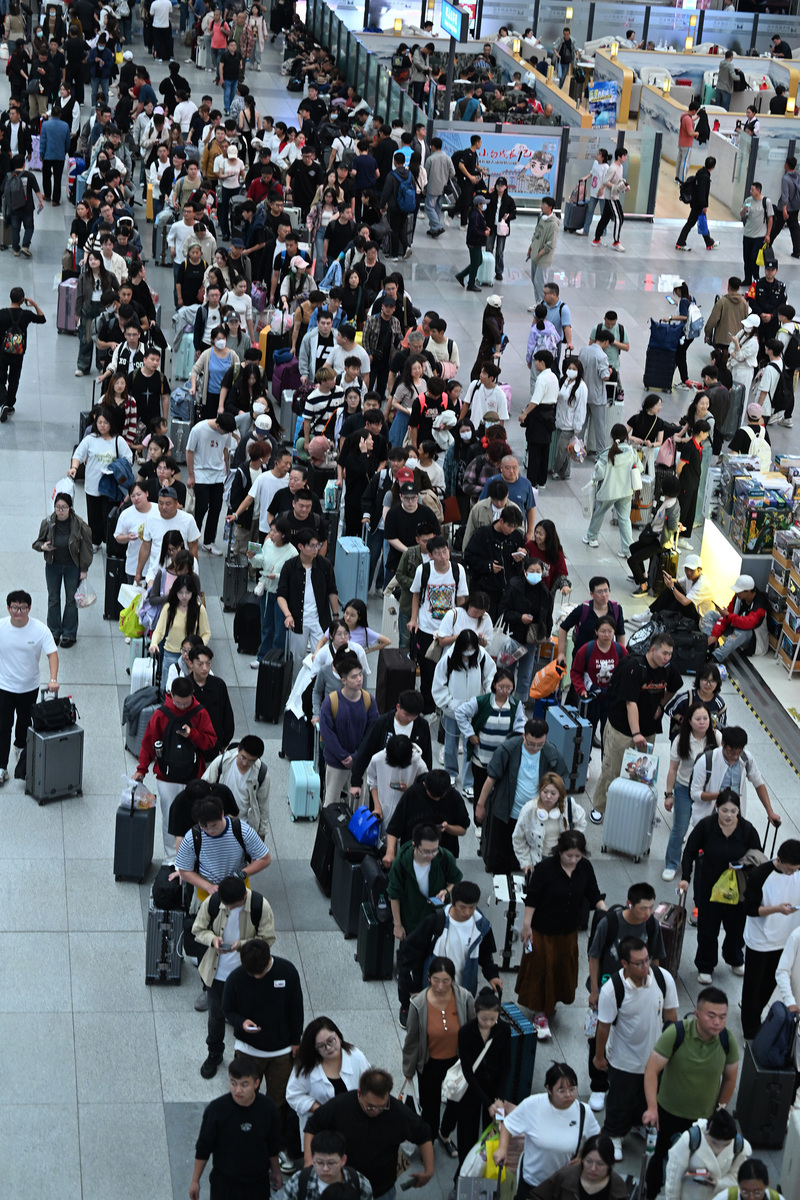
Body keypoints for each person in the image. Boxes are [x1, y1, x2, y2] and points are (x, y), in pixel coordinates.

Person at [642, 987, 740, 1197]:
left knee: (697, 1163)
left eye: (723, 1017)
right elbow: (651, 1069)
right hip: (668, 1112)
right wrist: (652, 1108)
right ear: (697, 1014)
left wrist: (720, 1108)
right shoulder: (677, 1033)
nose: (717, 1023)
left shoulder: (727, 1040)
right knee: (659, 1158)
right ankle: (650, 1193)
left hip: (703, 1119)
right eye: (711, 1016)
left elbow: (731, 1077)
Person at [516, 831, 606, 1037]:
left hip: (568, 930)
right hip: (543, 929)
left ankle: (551, 1003)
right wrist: (526, 925)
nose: (574, 860)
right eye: (569, 856)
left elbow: (593, 893)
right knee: (541, 969)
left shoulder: (585, 868)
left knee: (560, 968)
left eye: (578, 856)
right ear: (560, 852)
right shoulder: (545, 869)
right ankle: (540, 1011)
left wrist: (606, 911)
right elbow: (533, 898)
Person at [221, 937, 303, 1156]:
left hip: (282, 1051)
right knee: (243, 1096)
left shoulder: (287, 972)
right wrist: (241, 1023)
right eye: (252, 974)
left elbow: (296, 1009)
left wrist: (296, 1041)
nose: (257, 977)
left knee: (280, 1099)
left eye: (261, 971)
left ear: (269, 959)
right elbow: (227, 1009)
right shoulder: (236, 978)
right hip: (248, 1050)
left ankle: (275, 1142)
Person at [190, 874, 277, 1079]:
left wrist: (243, 945)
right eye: (226, 905)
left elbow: (268, 939)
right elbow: (198, 929)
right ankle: (214, 1054)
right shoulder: (213, 902)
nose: (228, 909)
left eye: (233, 906)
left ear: (244, 898)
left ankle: (246, 1058)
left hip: (248, 974)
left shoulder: (259, 906)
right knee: (216, 1017)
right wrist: (213, 940)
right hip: (217, 973)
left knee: (248, 1018)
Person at [590, 633, 681, 824]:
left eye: (670, 654)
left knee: (639, 774)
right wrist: (636, 733)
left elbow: (674, 687)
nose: (667, 658)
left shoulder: (668, 669)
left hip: (648, 729)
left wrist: (661, 705)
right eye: (664, 653)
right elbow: (630, 703)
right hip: (622, 729)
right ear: (653, 650)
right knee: (612, 769)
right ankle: (600, 807)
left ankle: (629, 809)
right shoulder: (633, 667)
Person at [303, 1067, 435, 1199]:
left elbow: (423, 1134)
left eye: (382, 1106)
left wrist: (429, 1170)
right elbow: (313, 1126)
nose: (376, 1111)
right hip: (345, 1184)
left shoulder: (398, 1112)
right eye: (370, 1106)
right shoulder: (340, 1105)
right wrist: (308, 1162)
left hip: (382, 1188)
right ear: (359, 1093)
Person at [134, 675, 218, 864]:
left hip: (193, 777)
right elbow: (148, 743)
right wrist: (141, 769)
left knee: (195, 816)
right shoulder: (161, 714)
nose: (181, 706)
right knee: (169, 817)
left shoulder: (200, 712)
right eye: (178, 702)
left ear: (192, 695)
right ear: (171, 695)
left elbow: (210, 741)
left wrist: (192, 734)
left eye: (185, 702)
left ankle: (193, 856)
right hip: (166, 777)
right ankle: (171, 858)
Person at [680, 790, 762, 984]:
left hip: (737, 888)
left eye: (733, 811)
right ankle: (706, 965)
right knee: (708, 927)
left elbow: (758, 857)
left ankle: (734, 958)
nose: (728, 815)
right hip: (709, 887)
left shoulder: (747, 830)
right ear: (716, 808)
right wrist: (685, 877)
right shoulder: (706, 827)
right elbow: (690, 851)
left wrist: (743, 865)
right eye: (724, 810)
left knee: (736, 927)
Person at [401, 955, 475, 1153]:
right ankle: (429, 1140)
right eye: (436, 980)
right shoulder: (418, 1004)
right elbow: (412, 1040)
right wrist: (408, 1069)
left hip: (457, 1062)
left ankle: (445, 1133)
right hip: (430, 1063)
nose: (440, 986)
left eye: (445, 981)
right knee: (430, 1108)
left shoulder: (464, 997)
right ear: (428, 977)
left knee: (456, 1102)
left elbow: (473, 1029)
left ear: (453, 980)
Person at [190, 1057, 283, 1200]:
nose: (238, 1090)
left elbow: (272, 1144)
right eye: (233, 1083)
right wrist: (195, 1181)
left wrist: (276, 1171)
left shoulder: (267, 1108)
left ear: (256, 1083)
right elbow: (203, 1147)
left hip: (257, 1183)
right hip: (225, 1183)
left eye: (244, 1084)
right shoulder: (216, 1110)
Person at [495, 1061, 601, 1187]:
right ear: (549, 1090)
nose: (568, 1095)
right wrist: (502, 1149)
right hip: (532, 1181)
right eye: (561, 1091)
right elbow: (508, 1125)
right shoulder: (532, 1105)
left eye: (572, 1089)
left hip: (563, 1182)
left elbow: (596, 1138)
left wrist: (583, 1156)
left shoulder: (584, 1112)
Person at [740, 838, 800, 1041]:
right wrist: (776, 909)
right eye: (790, 869)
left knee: (770, 983)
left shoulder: (798, 872)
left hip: (785, 939)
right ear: (780, 859)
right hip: (761, 940)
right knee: (752, 987)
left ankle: (757, 1017)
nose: (793, 873)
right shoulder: (760, 875)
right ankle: (750, 1030)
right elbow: (749, 908)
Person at [0, 590, 59, 786]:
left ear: (29, 608)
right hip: (4, 687)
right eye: (15, 607)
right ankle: (1, 767)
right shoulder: (1, 627)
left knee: (25, 724)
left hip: (29, 687)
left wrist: (53, 678)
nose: (19, 611)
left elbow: (52, 654)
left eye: (23, 607)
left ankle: (20, 750)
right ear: (8, 608)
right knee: (3, 726)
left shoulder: (40, 630)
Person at [663, 701, 722, 883]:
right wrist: (669, 794)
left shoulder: (717, 737)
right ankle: (671, 863)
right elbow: (673, 768)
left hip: (708, 791)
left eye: (705, 718)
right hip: (684, 788)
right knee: (680, 828)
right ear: (689, 721)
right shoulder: (681, 740)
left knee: (706, 828)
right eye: (698, 719)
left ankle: (703, 862)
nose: (702, 722)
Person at [454, 990, 512, 1165]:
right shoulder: (465, 1032)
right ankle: (463, 1174)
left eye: (493, 1019)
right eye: (484, 1019)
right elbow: (467, 1071)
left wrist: (499, 1099)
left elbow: (506, 1065)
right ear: (475, 1012)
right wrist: (488, 1103)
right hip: (471, 1090)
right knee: (466, 1135)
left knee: (493, 1133)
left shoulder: (503, 1029)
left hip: (495, 1089)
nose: (488, 1023)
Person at [286, 1018, 371, 1137]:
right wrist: (320, 1110)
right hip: (321, 1129)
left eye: (331, 1041)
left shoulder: (355, 1056)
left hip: (353, 1124)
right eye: (321, 1046)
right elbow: (293, 1095)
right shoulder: (306, 1066)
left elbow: (370, 1084)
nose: (329, 1048)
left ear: (338, 1036)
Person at [432, 632, 494, 794]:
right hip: (453, 711)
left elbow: (490, 677)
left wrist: (487, 699)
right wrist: (450, 704)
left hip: (473, 711)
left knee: (471, 747)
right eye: (466, 649)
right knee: (450, 744)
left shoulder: (481, 656)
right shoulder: (448, 659)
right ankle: (450, 773)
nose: (469, 653)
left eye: (472, 649)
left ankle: (469, 782)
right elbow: (438, 685)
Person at [32, 493, 93, 649]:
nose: (60, 510)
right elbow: (37, 543)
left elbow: (86, 548)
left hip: (72, 566)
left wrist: (84, 569)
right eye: (58, 507)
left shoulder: (79, 524)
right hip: (53, 566)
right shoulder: (47, 523)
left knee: (72, 599)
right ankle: (54, 631)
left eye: (64, 507)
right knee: (53, 598)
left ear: (70, 508)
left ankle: (69, 633)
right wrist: (43, 547)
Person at [386, 822, 463, 947]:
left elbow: (456, 881)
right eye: (426, 852)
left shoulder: (445, 858)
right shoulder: (401, 863)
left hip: (437, 920)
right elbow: (394, 894)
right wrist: (398, 925)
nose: (431, 856)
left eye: (434, 851)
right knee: (409, 959)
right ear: (414, 845)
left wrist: (446, 891)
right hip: (411, 920)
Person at [689, 725, 778, 830]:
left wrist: (770, 812)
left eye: (738, 753)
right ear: (722, 744)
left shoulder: (745, 758)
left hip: (735, 819)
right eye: (730, 752)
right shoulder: (706, 761)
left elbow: (758, 783)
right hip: (709, 820)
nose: (735, 757)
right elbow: (694, 794)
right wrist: (719, 796)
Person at [277, 528, 339, 675]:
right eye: (311, 545)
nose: (315, 549)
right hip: (297, 621)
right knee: (296, 660)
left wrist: (335, 616)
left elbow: (332, 590)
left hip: (320, 620)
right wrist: (287, 614)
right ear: (300, 547)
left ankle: (316, 691)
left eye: (317, 545)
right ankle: (296, 692)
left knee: (323, 658)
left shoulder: (324, 565)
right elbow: (281, 595)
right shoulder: (290, 566)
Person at [318, 655, 378, 804]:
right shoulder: (331, 701)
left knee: (359, 806)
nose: (359, 679)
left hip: (361, 761)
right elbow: (327, 734)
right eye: (354, 676)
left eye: (360, 675)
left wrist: (357, 756)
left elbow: (372, 733)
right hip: (336, 761)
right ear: (343, 680)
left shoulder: (368, 701)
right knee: (331, 801)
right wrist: (343, 756)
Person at [385, 768, 471, 862]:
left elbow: (463, 830)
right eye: (432, 796)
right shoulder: (412, 794)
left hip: (443, 856)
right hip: (413, 856)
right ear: (424, 784)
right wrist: (390, 853)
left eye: (440, 796)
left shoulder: (454, 797)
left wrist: (448, 828)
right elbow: (394, 827)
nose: (437, 799)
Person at [512, 772, 587, 877]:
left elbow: (581, 822)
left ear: (560, 794)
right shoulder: (529, 810)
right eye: (545, 792)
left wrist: (573, 842)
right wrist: (526, 862)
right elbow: (518, 839)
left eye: (553, 793)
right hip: (538, 861)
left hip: (562, 860)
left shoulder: (569, 805)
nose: (548, 796)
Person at [664, 1110, 751, 1200]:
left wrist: (718, 1183)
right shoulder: (690, 1140)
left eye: (726, 1145)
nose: (719, 1149)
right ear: (707, 1131)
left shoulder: (738, 1146)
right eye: (714, 1143)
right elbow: (673, 1177)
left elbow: (738, 1178)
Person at [583, 424, 640, 557]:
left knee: (599, 513)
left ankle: (592, 538)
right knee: (625, 519)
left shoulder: (606, 453)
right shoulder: (632, 452)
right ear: (626, 437)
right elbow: (639, 468)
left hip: (608, 491)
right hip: (626, 492)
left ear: (611, 436)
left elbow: (599, 474)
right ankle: (627, 549)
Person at [569, 617, 626, 744]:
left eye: (610, 631)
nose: (606, 635)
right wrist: (581, 689)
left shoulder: (620, 650)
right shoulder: (586, 650)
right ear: (596, 632)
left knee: (609, 738)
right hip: (591, 699)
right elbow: (575, 672)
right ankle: (585, 761)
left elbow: (628, 672)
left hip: (612, 699)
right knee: (586, 736)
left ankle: (606, 763)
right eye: (603, 631)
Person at [186, 411, 236, 556]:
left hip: (218, 475)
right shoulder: (198, 429)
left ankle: (208, 541)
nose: (225, 434)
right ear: (218, 425)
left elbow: (225, 450)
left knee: (216, 508)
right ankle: (192, 538)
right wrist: (191, 475)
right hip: (201, 473)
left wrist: (225, 471)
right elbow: (189, 451)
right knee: (201, 508)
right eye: (224, 431)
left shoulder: (226, 432)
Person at [202, 736, 268, 841]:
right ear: (238, 749)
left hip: (244, 826)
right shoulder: (222, 762)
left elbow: (263, 806)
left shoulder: (261, 773)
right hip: (219, 823)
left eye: (251, 761)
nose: (245, 763)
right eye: (243, 757)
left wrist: (261, 833)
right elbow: (203, 786)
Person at [628, 474, 681, 597]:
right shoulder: (671, 501)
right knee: (633, 548)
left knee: (632, 560)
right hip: (654, 536)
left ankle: (643, 586)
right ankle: (642, 576)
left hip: (660, 542)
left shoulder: (670, 506)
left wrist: (675, 526)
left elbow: (672, 526)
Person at [530, 1135, 628, 1200]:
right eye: (589, 1161)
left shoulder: (618, 1187)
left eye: (600, 1164)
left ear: (610, 1164)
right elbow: (537, 1197)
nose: (593, 1168)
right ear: (582, 1159)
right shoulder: (565, 1176)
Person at [283, 1130, 373, 1200]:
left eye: (331, 1163)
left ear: (343, 1160)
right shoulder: (298, 1181)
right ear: (312, 1158)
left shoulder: (359, 1183)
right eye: (319, 1163)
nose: (325, 1169)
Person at [0, 288, 46, 421]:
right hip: (18, 352)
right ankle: (9, 404)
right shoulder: (26, 314)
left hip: (2, 351)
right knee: (14, 378)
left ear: (10, 297)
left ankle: (2, 403)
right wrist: (35, 305)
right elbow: (42, 319)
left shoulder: (2, 313)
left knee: (1, 377)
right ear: (22, 300)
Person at [700, 574, 769, 663]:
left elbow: (748, 623)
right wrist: (714, 635)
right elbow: (726, 616)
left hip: (752, 640)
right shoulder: (738, 597)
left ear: (748, 591)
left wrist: (728, 616)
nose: (736, 593)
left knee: (741, 632)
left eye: (739, 591)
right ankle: (710, 644)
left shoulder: (760, 604)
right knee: (710, 614)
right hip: (736, 626)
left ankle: (715, 657)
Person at [557, 577, 625, 664]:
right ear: (592, 594)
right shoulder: (583, 609)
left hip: (606, 661)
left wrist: (622, 657)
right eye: (600, 592)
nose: (604, 594)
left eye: (606, 590)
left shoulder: (616, 609)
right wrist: (561, 653)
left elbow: (620, 634)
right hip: (583, 660)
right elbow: (563, 628)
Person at [3, 155, 45, 259]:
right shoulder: (29, 175)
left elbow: (3, 191)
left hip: (13, 208)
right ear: (23, 164)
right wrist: (41, 201)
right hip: (27, 207)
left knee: (15, 228)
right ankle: (25, 245)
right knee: (29, 227)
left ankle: (16, 249)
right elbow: (37, 190)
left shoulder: (9, 176)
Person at [676, 156, 717, 252]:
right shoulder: (705, 177)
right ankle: (680, 242)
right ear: (713, 166)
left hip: (695, 202)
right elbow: (702, 192)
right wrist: (704, 205)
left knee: (702, 222)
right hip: (698, 204)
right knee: (691, 223)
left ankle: (709, 242)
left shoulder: (701, 172)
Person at [593, 149, 629, 252]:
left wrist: (625, 185)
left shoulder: (620, 167)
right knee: (619, 218)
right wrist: (615, 187)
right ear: (619, 157)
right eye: (624, 155)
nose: (625, 157)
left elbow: (619, 180)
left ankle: (596, 240)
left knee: (605, 218)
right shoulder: (612, 168)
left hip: (615, 196)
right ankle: (616, 242)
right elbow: (605, 181)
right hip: (611, 198)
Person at [526, 196, 559, 306]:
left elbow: (551, 244)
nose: (541, 207)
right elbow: (536, 234)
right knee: (534, 279)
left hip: (543, 258)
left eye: (544, 205)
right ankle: (538, 302)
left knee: (540, 281)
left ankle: (542, 304)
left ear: (550, 207)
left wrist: (540, 254)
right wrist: (531, 247)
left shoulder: (553, 224)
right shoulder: (541, 218)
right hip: (535, 255)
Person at [455, 195, 489, 293]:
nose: (485, 205)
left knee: (478, 261)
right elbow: (474, 230)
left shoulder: (478, 213)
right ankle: (471, 284)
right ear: (479, 205)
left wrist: (485, 229)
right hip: (474, 242)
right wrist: (484, 233)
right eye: (483, 203)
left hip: (476, 242)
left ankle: (461, 275)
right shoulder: (476, 215)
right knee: (476, 263)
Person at [770, 156, 800, 260]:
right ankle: (797, 250)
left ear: (787, 164)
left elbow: (785, 196)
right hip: (795, 207)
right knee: (794, 228)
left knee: (776, 227)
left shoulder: (786, 178)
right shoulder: (797, 176)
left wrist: (784, 209)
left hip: (785, 208)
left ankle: (767, 244)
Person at [712, 1160, 785, 1200]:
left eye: (757, 1192)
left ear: (767, 1184)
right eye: (745, 1192)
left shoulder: (777, 1199)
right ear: (739, 1184)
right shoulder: (725, 1197)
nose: (751, 1198)